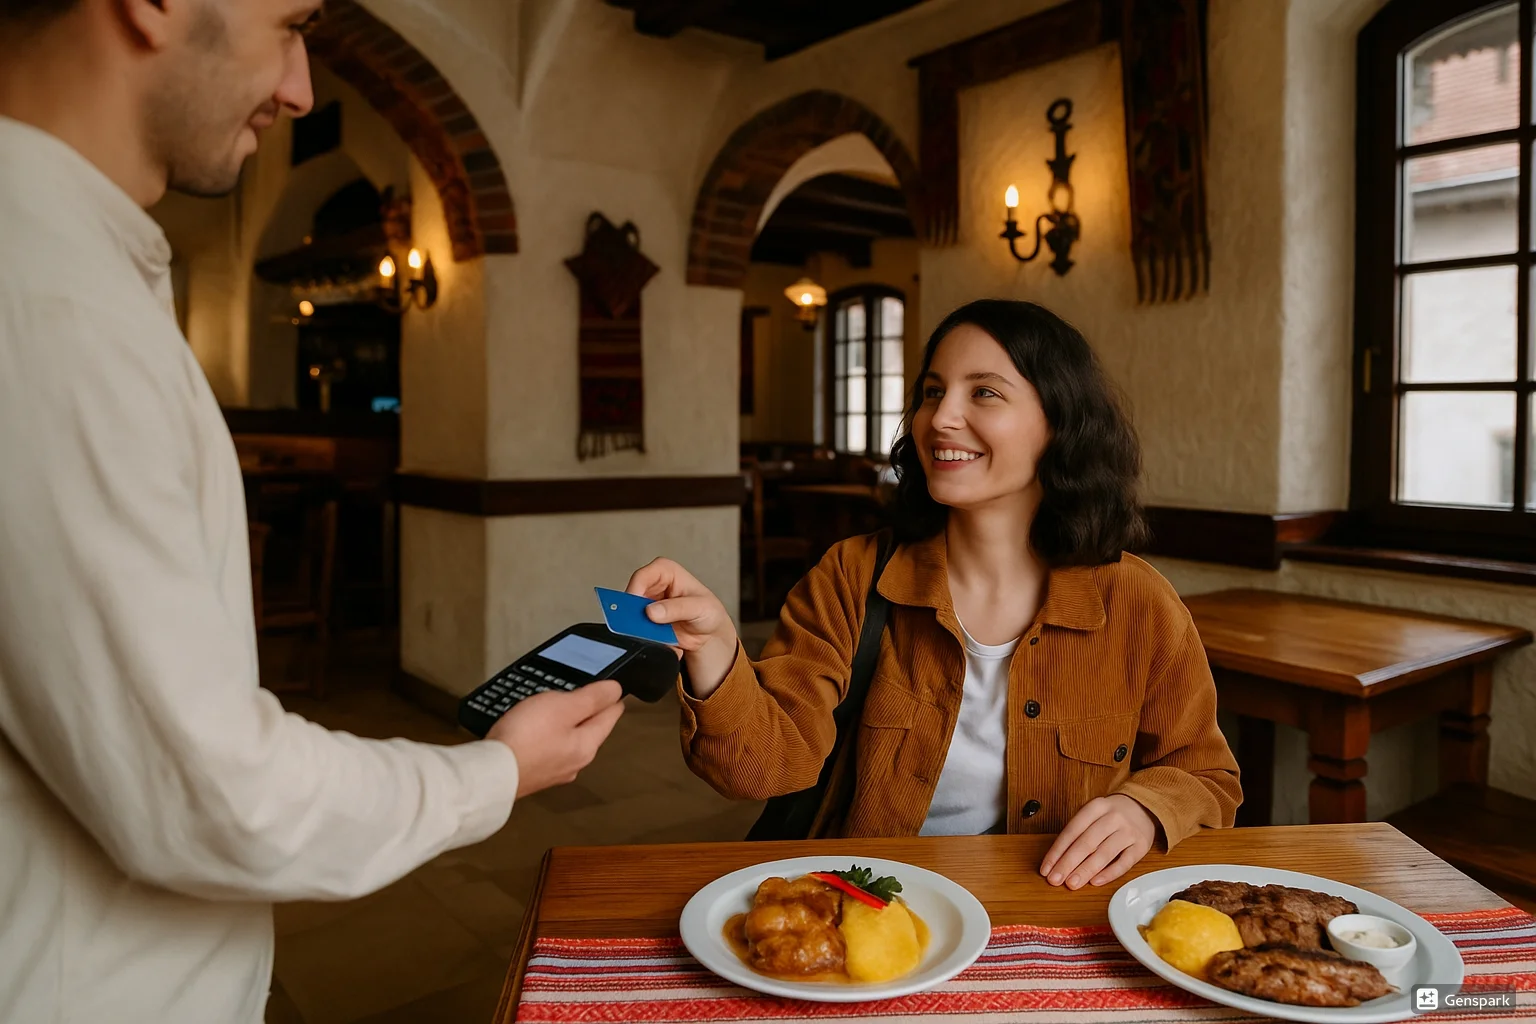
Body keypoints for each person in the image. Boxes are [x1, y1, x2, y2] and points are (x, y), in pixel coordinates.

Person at [0, 0, 625, 1021]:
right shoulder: (52, 306)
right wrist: (496, 772)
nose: (300, 87)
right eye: (289, 23)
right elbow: (207, 792)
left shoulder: (81, 274)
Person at [629, 299, 1241, 887]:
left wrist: (1144, 809)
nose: (941, 417)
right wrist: (712, 650)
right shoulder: (852, 576)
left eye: (984, 392)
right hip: (875, 913)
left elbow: (1206, 772)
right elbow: (764, 767)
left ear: (1058, 423)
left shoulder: (1138, 604)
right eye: (931, 391)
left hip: (1046, 918)